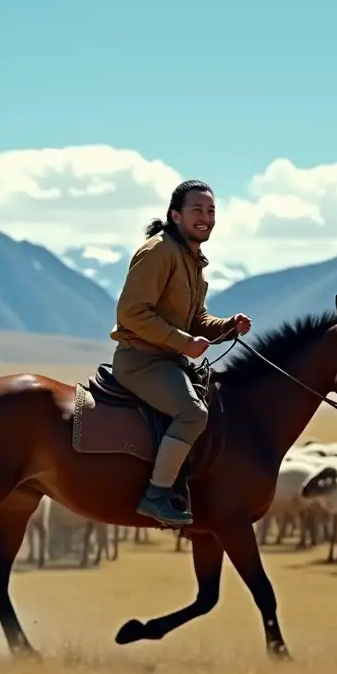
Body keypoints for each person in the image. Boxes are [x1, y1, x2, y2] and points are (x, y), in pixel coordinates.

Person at [109, 179, 252, 527]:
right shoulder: (159, 251)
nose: (206, 217)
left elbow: (196, 319)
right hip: (141, 361)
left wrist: (226, 327)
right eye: (197, 210)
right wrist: (183, 343)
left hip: (168, 361)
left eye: (211, 211)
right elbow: (131, 313)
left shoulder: (191, 259)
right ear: (175, 215)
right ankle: (156, 494)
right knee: (192, 413)